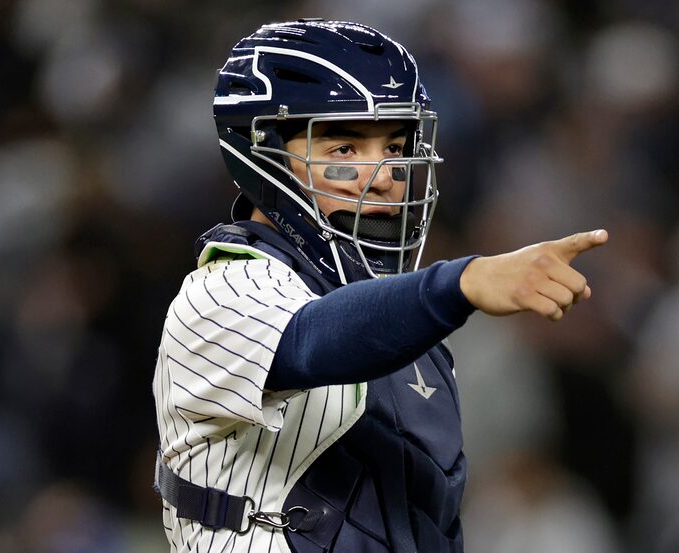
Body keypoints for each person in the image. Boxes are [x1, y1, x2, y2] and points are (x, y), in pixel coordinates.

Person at [152, 19, 608, 553]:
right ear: (264, 153)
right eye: (345, 148)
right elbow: (310, 341)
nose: (386, 173)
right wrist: (461, 281)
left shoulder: (412, 324)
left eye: (394, 145)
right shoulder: (221, 290)